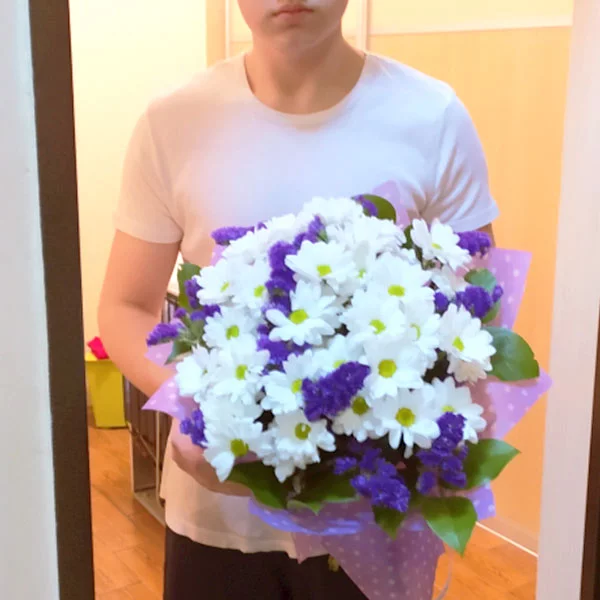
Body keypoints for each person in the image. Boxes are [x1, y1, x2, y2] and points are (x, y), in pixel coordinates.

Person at [99, 1, 498, 598]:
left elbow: (480, 310)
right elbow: (126, 306)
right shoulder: (173, 122)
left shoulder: (431, 116)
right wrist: (193, 402)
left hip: (375, 520)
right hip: (220, 517)